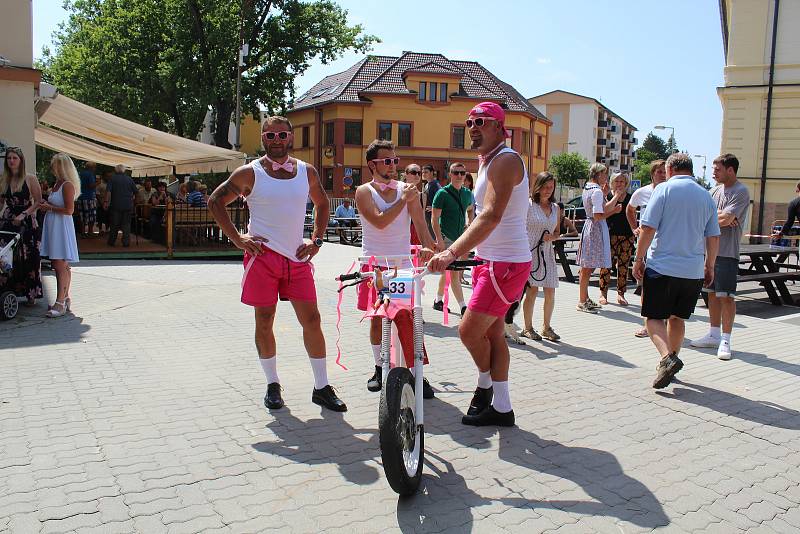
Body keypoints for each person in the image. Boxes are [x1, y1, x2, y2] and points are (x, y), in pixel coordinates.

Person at [208, 115, 346, 412]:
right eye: (270, 136)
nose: (277, 141)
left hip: (297, 257)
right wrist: (237, 239)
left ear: (291, 137)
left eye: (282, 135)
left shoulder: (306, 171)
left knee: (312, 321)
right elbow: (215, 201)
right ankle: (272, 384)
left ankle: (321, 387)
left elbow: (323, 204)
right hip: (263, 258)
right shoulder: (250, 173)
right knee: (265, 320)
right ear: (263, 139)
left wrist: (318, 240)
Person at [428, 102, 532, 427]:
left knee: (469, 331)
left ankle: (486, 388)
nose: (473, 127)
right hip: (493, 260)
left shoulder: (505, 160)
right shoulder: (486, 161)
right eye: (470, 122)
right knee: (496, 334)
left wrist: (451, 253)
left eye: (482, 122)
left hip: (506, 263)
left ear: (501, 128)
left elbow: (490, 215)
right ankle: (501, 407)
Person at [355, 140, 437, 396]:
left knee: (407, 319)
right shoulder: (364, 191)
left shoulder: (407, 190)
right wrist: (403, 200)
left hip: (402, 265)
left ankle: (416, 373)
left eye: (394, 160)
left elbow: (421, 225)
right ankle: (379, 368)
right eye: (387, 161)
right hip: (375, 266)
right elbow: (379, 223)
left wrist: (430, 248)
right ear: (373, 165)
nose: (393, 165)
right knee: (378, 319)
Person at [633, 153, 720, 389]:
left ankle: (667, 358)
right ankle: (670, 363)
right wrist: (709, 265)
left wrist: (638, 259)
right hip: (692, 270)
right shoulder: (706, 195)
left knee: (653, 317)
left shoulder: (663, 190)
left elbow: (648, 228)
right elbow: (713, 236)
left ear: (670, 169)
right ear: (690, 170)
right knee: (677, 318)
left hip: (663, 265)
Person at [691, 154, 750, 360]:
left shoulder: (741, 191)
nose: (713, 172)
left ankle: (725, 339)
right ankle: (713, 334)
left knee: (726, 296)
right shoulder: (713, 191)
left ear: (730, 170)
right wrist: (719, 217)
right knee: (711, 294)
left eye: (718, 169)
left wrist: (718, 217)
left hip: (727, 252)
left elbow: (725, 218)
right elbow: (703, 215)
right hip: (709, 251)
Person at [517, 171, 561, 342]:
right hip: (530, 253)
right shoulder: (528, 205)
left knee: (550, 292)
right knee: (532, 291)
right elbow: (520, 227)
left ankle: (547, 327)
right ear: (538, 187)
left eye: (551, 187)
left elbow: (557, 231)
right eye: (545, 187)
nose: (548, 191)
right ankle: (528, 328)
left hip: (547, 254)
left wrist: (553, 237)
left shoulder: (555, 208)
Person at [576, 163, 623, 313]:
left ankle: (584, 298)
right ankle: (582, 300)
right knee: (588, 267)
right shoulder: (595, 191)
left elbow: (599, 210)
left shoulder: (589, 188)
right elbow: (598, 215)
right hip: (595, 229)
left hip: (591, 227)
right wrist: (615, 204)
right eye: (605, 174)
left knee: (587, 266)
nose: (606, 177)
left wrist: (607, 197)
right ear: (599, 174)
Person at [39, 153, 81, 317]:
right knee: (61, 265)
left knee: (59, 265)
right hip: (54, 225)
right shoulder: (57, 183)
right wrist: (47, 204)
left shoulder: (67, 185)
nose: (52, 168)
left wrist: (49, 207)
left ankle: (60, 302)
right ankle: (64, 298)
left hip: (61, 226)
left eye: (54, 165)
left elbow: (69, 210)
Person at [0, 146, 43, 306]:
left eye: (14, 158)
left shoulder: (30, 178)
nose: (11, 161)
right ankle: (8, 291)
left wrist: (24, 214)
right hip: (9, 221)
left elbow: (39, 201)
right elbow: (1, 202)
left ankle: (31, 293)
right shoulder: (3, 179)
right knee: (7, 257)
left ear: (21, 160)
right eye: (9, 158)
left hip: (27, 222)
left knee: (30, 257)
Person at [628, 160, 667, 337]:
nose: (662, 175)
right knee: (646, 284)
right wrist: (634, 227)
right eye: (659, 172)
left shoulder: (670, 192)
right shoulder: (642, 192)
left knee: (665, 286)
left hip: (665, 245)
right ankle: (647, 324)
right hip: (646, 244)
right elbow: (629, 209)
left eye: (664, 171)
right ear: (652, 173)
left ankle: (663, 322)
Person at [431, 162, 474, 316]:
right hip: (446, 237)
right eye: (456, 173)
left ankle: (438, 300)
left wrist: (469, 223)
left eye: (462, 173)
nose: (459, 176)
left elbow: (470, 209)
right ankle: (464, 308)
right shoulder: (442, 193)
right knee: (453, 273)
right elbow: (434, 219)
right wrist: (439, 240)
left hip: (460, 239)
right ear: (450, 174)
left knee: (447, 272)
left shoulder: (467, 193)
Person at [598, 172, 635, 306]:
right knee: (606, 265)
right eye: (617, 181)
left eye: (622, 182)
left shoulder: (631, 198)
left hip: (627, 236)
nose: (619, 184)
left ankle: (621, 294)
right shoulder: (607, 196)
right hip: (609, 234)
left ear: (626, 184)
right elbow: (603, 213)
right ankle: (603, 293)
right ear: (612, 183)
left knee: (623, 266)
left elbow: (634, 216)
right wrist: (615, 197)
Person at [105, 165, 137, 247]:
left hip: (115, 205)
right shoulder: (129, 179)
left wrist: (106, 202)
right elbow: (136, 191)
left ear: (116, 170)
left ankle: (111, 241)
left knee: (114, 224)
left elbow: (108, 192)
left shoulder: (112, 179)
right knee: (126, 225)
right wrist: (134, 202)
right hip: (127, 205)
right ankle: (126, 242)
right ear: (124, 171)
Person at [403, 163, 424, 246]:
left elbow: (422, 218)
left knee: (416, 257)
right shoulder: (398, 192)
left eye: (419, 173)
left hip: (415, 230)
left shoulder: (423, 195)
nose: (417, 175)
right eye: (414, 172)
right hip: (401, 230)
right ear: (406, 174)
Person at [77, 161, 97, 237]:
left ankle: (82, 232)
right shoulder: (90, 174)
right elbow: (91, 185)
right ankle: (90, 232)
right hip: (89, 198)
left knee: (82, 215)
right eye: (94, 167)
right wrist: (97, 183)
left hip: (80, 197)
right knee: (91, 215)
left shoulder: (80, 174)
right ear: (92, 167)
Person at [422, 164, 440, 237]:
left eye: (426, 172)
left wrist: (433, 208)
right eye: (423, 172)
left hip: (433, 216)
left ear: (432, 172)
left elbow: (441, 199)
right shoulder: (427, 184)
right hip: (427, 216)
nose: (423, 174)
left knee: (433, 237)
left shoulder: (435, 185)